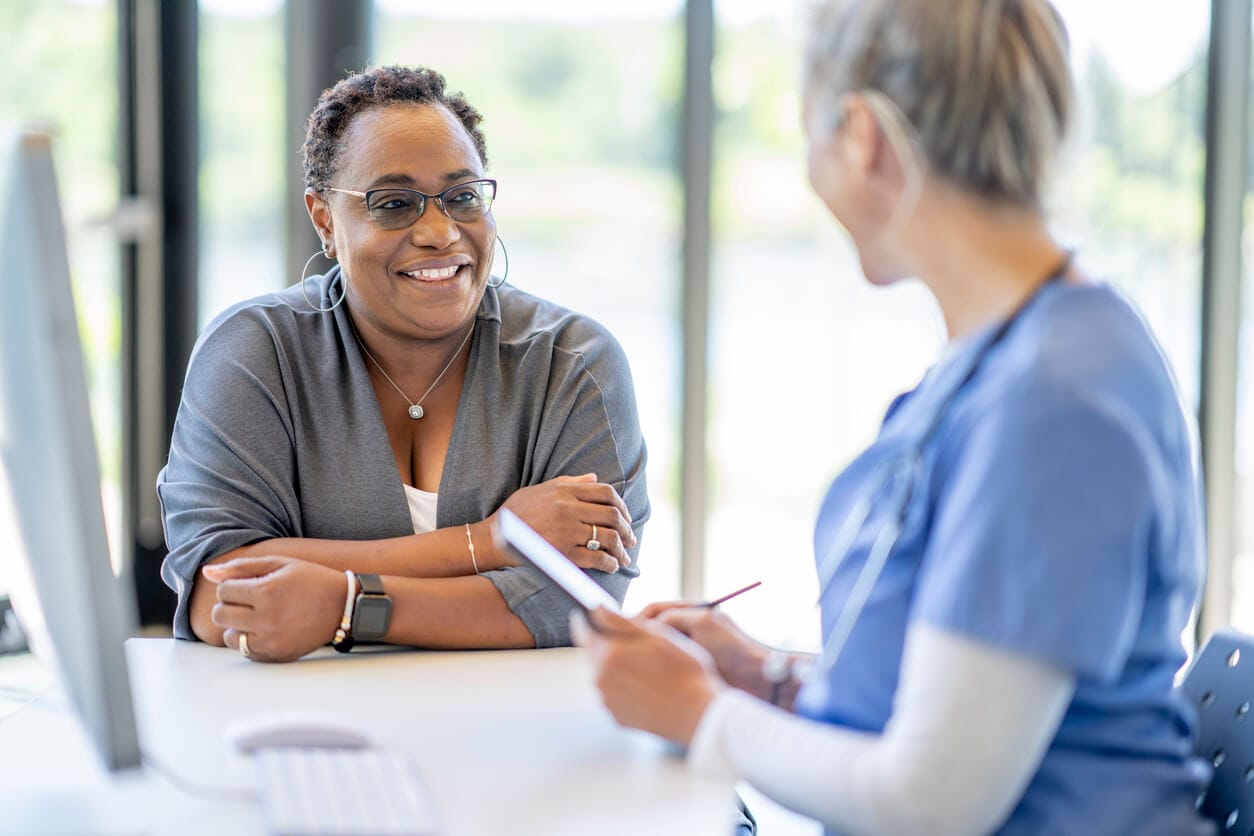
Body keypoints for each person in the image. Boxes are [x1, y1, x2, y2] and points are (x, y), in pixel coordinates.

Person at [577, 1, 1213, 833]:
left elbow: (929, 803)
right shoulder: (1021, 351)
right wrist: (764, 675)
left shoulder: (1053, 406)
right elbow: (965, 704)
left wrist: (698, 714)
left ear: (862, 135)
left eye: (809, 133)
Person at [158, 65, 648, 663]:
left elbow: (578, 600)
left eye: (462, 197)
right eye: (393, 204)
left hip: (513, 730)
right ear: (324, 220)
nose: (441, 232)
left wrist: (339, 606)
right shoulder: (255, 353)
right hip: (300, 725)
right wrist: (490, 543)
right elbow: (218, 592)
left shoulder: (573, 364)